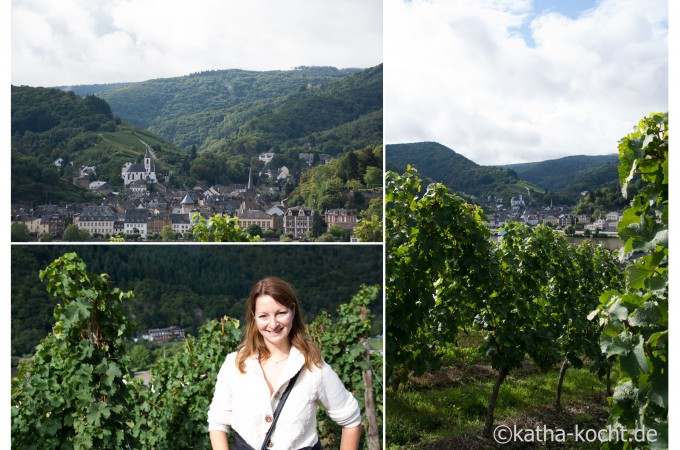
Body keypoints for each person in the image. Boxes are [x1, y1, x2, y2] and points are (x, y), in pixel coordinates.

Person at [208, 276, 362, 450]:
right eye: (264, 316)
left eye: (281, 313)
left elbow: (351, 419)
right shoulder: (235, 364)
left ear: (293, 311)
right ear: (254, 317)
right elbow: (217, 422)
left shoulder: (314, 368)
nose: (273, 324)